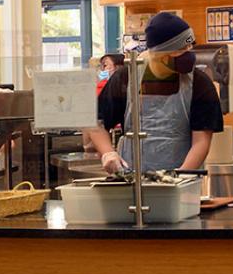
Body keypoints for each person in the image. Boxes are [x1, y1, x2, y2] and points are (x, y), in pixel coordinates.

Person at [89, 13, 223, 174]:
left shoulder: (200, 83)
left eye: (190, 46)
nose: (188, 53)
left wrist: (178, 178)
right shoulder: (126, 78)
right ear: (159, 54)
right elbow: (96, 122)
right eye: (181, 49)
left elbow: (201, 141)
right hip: (132, 177)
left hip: (183, 180)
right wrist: (108, 153)